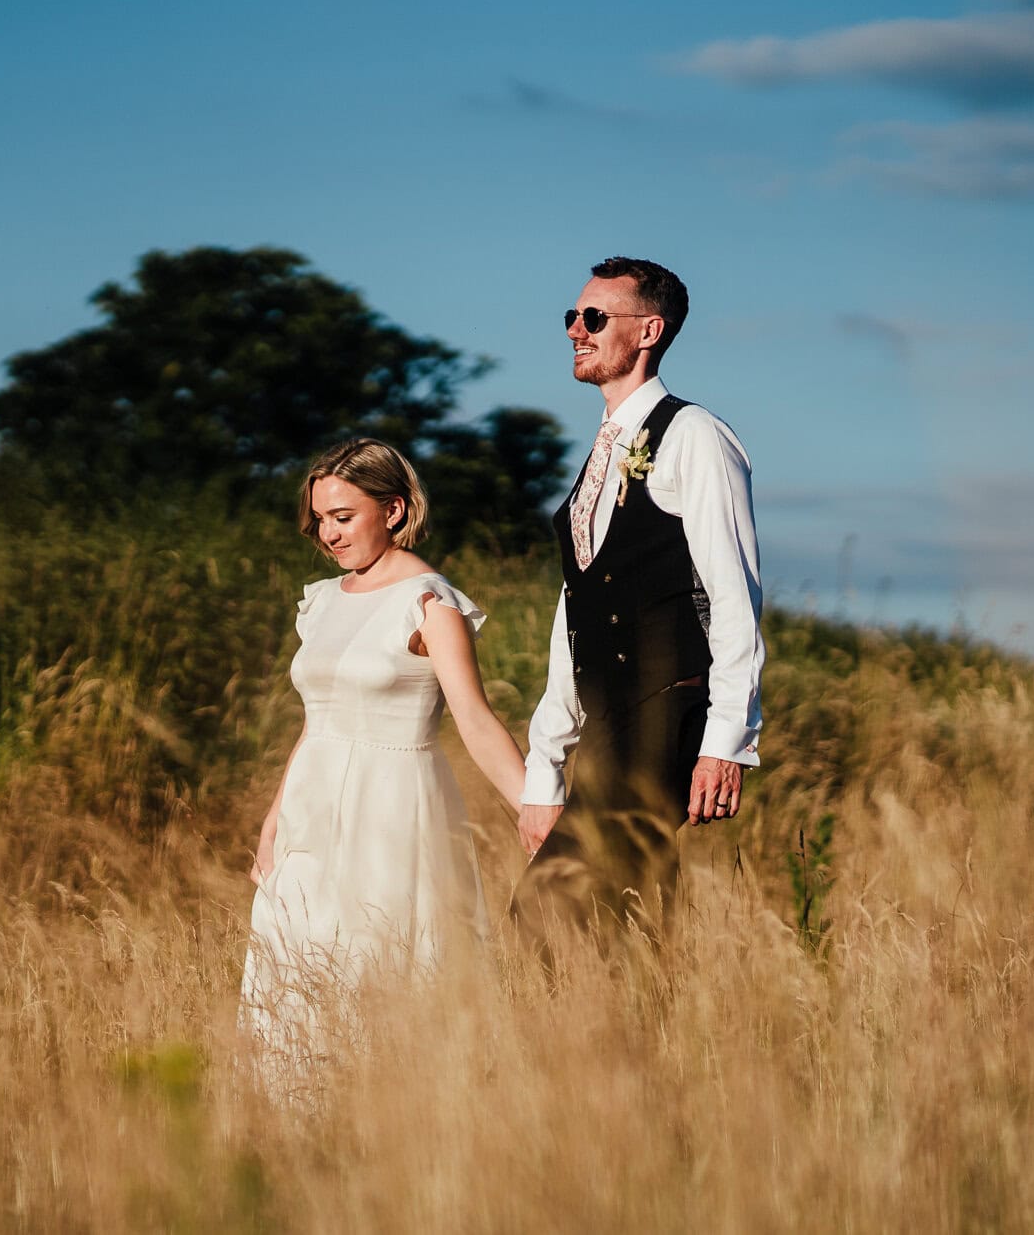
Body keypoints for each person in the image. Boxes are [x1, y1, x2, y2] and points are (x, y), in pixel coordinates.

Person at [241, 438, 528, 1064]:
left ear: (393, 510)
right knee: (295, 981)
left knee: (381, 970)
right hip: (309, 817)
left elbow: (475, 720)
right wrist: (271, 827)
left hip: (392, 813)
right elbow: (315, 724)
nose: (329, 535)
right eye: (320, 519)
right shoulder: (319, 603)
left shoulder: (429, 601)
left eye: (343, 517)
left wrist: (537, 810)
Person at [511, 256, 765, 948]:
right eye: (572, 316)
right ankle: (644, 1052)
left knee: (545, 918)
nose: (575, 330)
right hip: (604, 728)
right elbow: (576, 618)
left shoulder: (695, 438)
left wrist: (726, 743)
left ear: (648, 330)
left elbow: (734, 597)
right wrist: (546, 769)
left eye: (594, 317)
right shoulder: (599, 452)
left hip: (665, 715)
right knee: (618, 927)